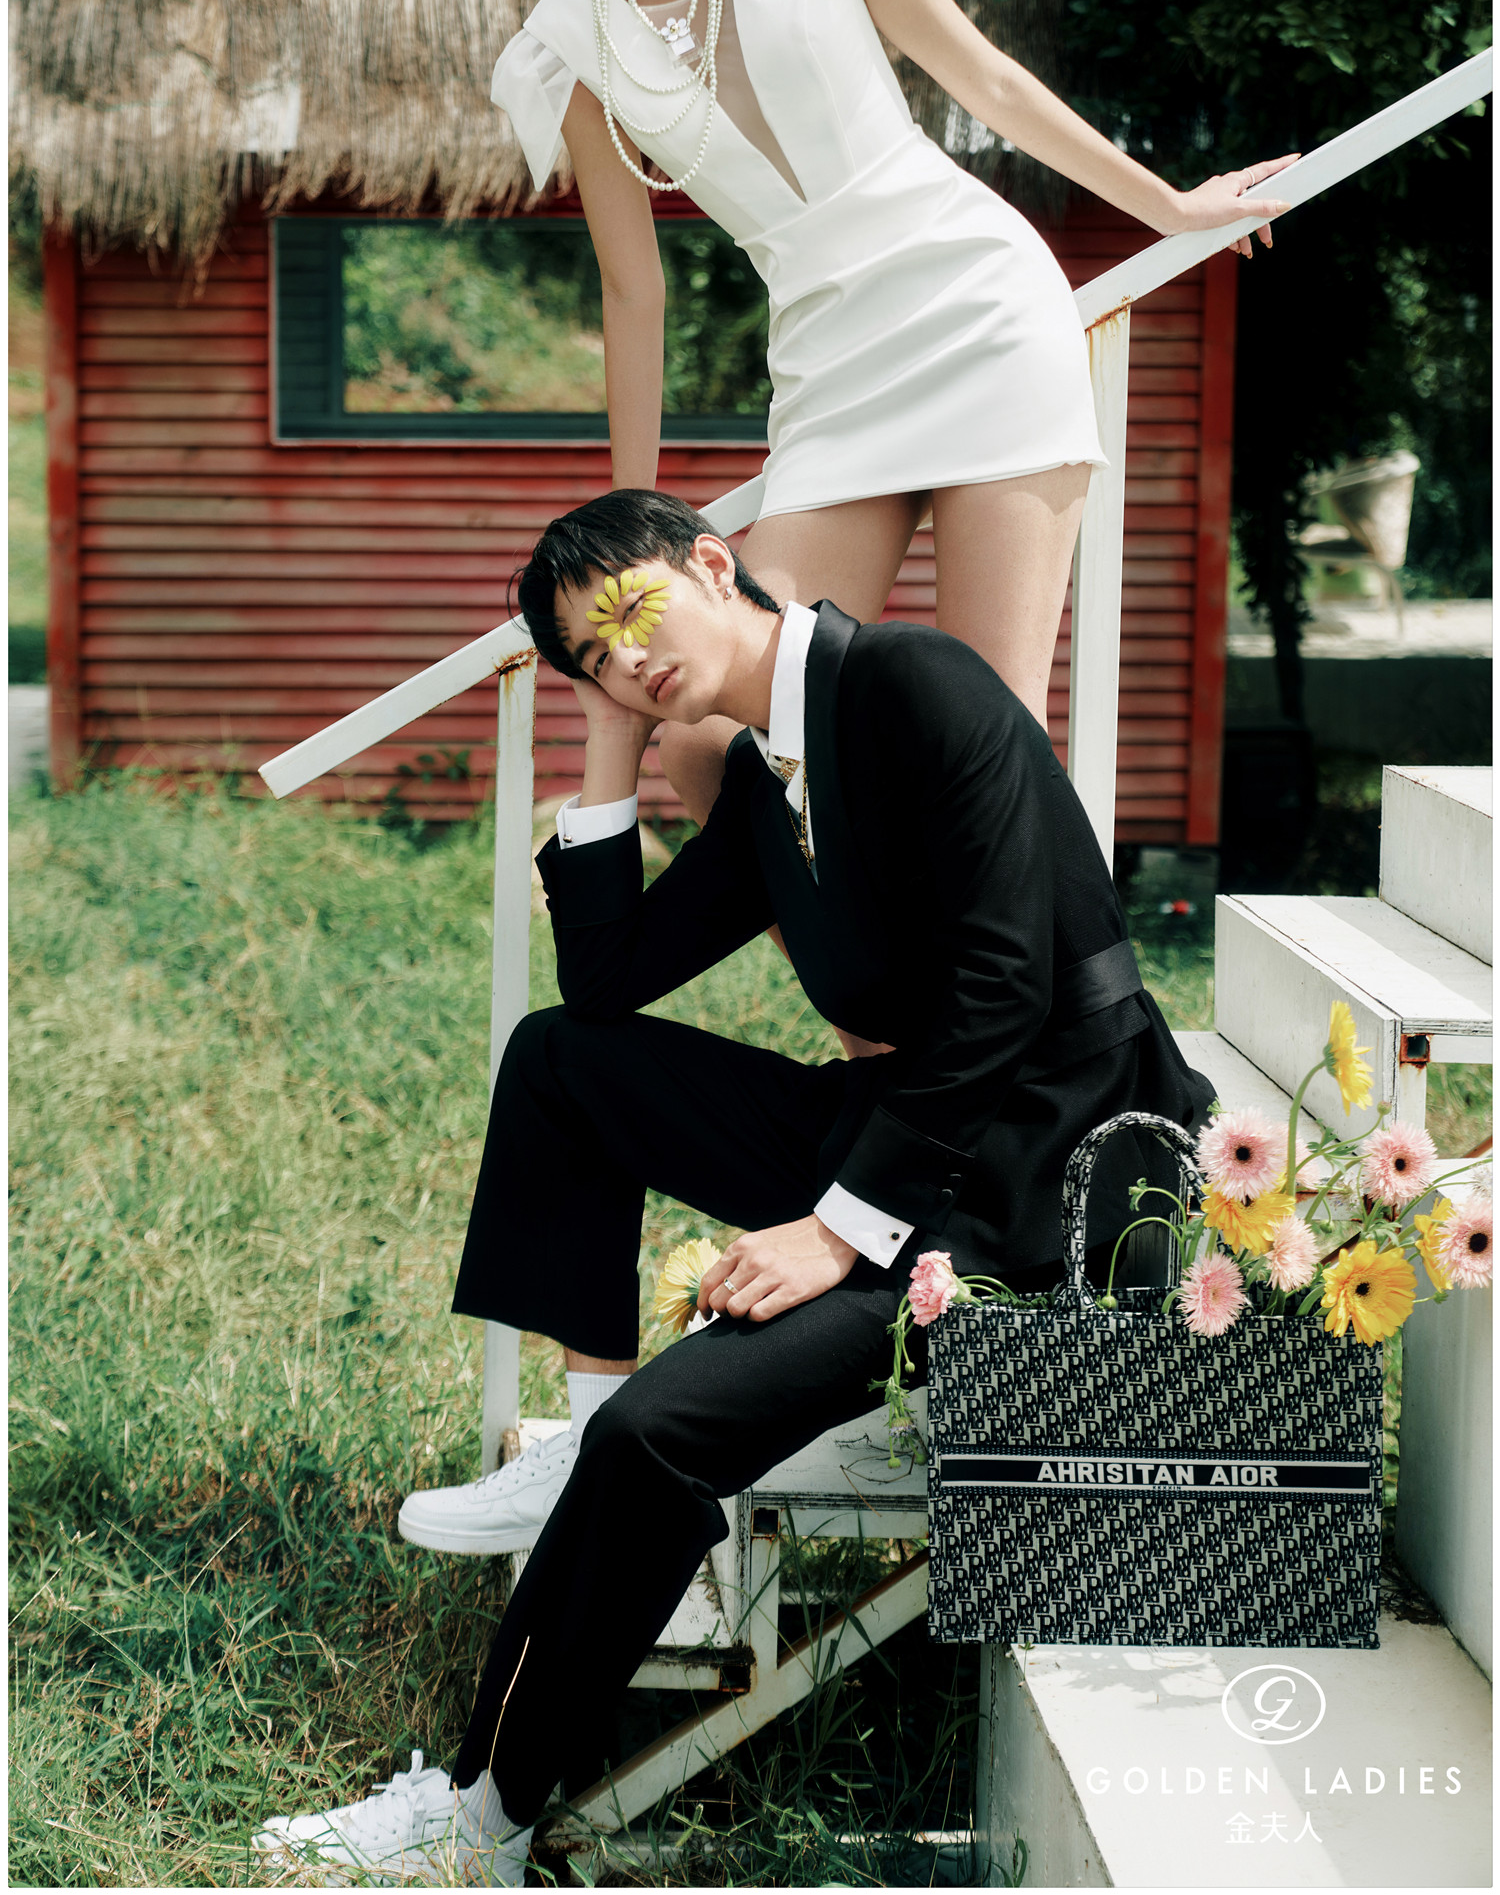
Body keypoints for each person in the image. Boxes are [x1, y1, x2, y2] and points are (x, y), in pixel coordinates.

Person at [255, 489, 1214, 1883]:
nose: (627, 658)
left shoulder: (915, 684)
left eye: (632, 615)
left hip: (1041, 1185)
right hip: (911, 1134)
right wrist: (611, 736)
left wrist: (835, 1232)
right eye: (594, 657)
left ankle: (482, 1816)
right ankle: (584, 1444)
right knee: (564, 1062)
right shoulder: (775, 778)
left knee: (667, 1433)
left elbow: (1008, 990)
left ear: (714, 563)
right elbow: (608, 981)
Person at [491, 0, 1295, 838]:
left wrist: (1168, 207)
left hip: (978, 305)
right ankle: (868, 973)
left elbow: (987, 82)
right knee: (716, 749)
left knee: (990, 740)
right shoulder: (574, 38)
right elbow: (632, 289)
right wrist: (634, 535)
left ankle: (994, 966)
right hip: (829, 367)